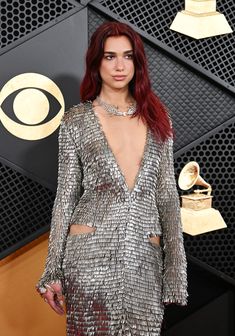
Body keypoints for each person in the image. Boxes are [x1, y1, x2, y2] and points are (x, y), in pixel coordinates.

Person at [36, 21, 188, 335]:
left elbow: (168, 197)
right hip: (88, 254)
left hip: (145, 257)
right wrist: (52, 270)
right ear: (96, 62)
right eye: (109, 57)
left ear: (137, 62)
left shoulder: (159, 118)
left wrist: (175, 270)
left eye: (127, 56)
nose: (119, 65)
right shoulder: (76, 120)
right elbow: (65, 197)